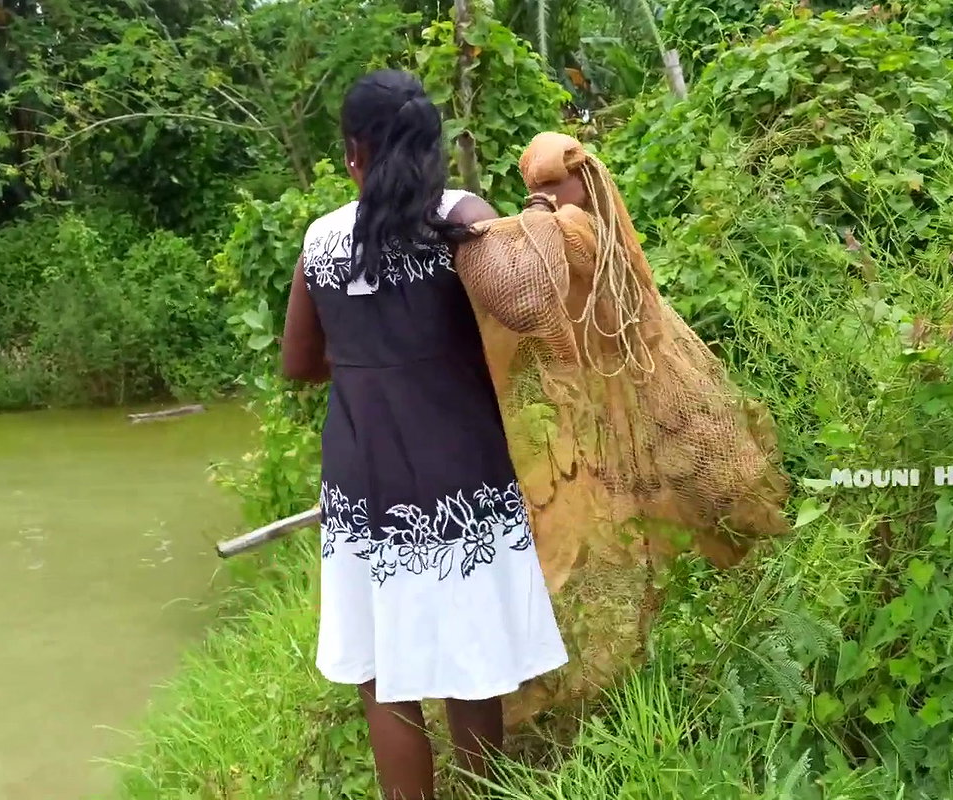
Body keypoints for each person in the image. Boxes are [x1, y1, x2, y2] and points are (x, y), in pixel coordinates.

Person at [279, 70, 568, 800]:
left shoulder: (321, 241)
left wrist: (365, 359)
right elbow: (524, 313)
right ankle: (486, 789)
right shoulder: (463, 218)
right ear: (431, 148)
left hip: (363, 478)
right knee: (470, 655)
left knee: (383, 672)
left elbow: (298, 363)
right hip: (458, 477)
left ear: (353, 153)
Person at [455, 132, 791, 726]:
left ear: (586, 182)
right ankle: (632, 668)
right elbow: (530, 300)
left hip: (651, 393)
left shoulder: (580, 235)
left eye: (555, 186)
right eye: (535, 189)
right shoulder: (560, 236)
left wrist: (526, 225)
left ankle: (765, 606)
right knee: (625, 532)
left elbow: (553, 271)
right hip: (606, 412)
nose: (546, 198)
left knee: (716, 494)